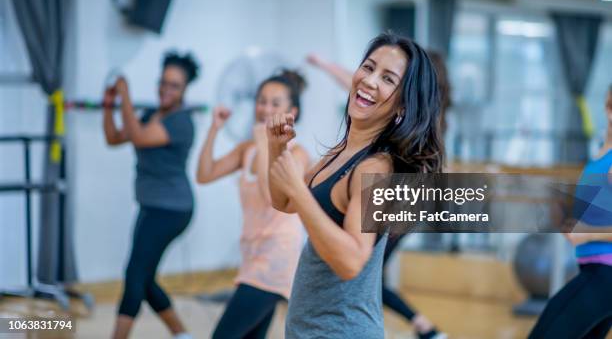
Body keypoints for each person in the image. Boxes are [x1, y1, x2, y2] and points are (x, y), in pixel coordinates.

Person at [268, 32, 444, 338]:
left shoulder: (376, 170)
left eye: (388, 79)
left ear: (403, 106)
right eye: (369, 67)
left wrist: (298, 189)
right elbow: (283, 202)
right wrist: (276, 148)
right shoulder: (339, 153)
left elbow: (351, 262)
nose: (370, 81)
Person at [196, 70, 309, 339]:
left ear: (291, 111)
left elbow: (272, 198)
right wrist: (214, 128)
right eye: (261, 101)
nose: (265, 109)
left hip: (277, 257)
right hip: (251, 254)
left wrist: (264, 141)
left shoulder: (297, 154)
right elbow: (204, 174)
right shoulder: (246, 149)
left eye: (275, 103)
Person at [103, 51, 200, 339]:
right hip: (150, 206)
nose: (166, 90)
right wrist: (110, 104)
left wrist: (125, 95)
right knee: (143, 278)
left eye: (174, 86)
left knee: (134, 275)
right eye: (163, 83)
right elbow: (113, 138)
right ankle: (182, 335)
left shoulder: (181, 122)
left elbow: (140, 137)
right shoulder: (149, 115)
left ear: (184, 90)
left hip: (172, 210)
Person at [528, 85, 612, 339]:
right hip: (594, 271)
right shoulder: (602, 152)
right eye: (610, 105)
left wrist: (587, 235)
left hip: (605, 275)